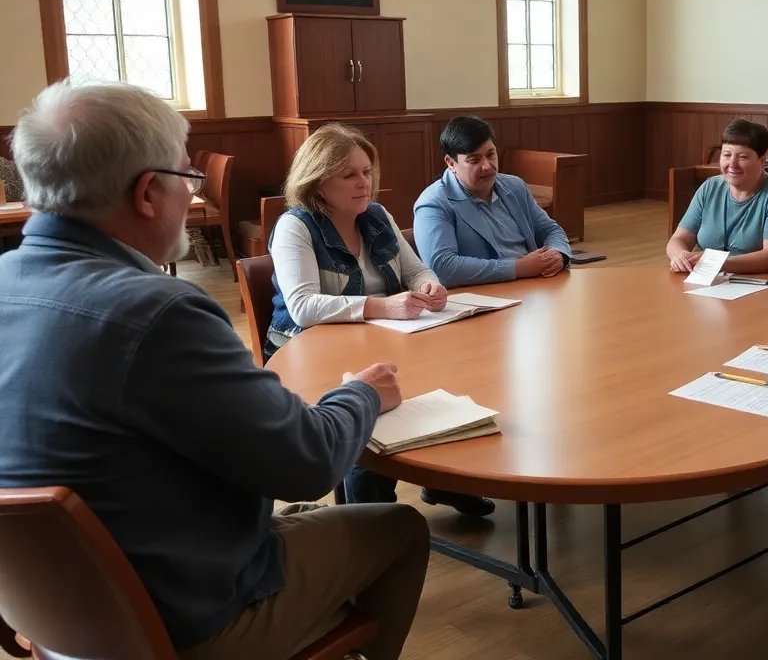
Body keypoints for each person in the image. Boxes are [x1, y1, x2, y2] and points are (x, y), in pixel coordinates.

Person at [0, 81, 430, 660]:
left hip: (55, 611)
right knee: (400, 527)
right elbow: (307, 465)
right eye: (189, 178)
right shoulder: (157, 313)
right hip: (178, 617)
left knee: (310, 521)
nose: (193, 196)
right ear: (150, 192)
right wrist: (361, 395)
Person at [268, 123, 494, 518]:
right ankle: (372, 519)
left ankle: (445, 480)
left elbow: (416, 270)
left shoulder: (376, 215)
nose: (363, 183)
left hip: (385, 335)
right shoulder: (295, 226)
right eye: (349, 175)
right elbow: (303, 306)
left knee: (449, 378)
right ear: (318, 182)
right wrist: (383, 306)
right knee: (373, 411)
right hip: (309, 346)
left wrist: (430, 286)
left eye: (367, 172)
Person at [414, 116, 572, 287]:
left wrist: (558, 253)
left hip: (536, 286)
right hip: (484, 294)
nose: (488, 166)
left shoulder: (514, 186)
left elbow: (550, 230)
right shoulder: (434, 203)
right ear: (451, 163)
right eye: (474, 160)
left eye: (491, 154)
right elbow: (443, 268)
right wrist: (518, 268)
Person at [666, 118, 768, 274]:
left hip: (754, 282)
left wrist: (717, 263)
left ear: (761, 160)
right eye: (726, 155)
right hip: (703, 277)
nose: (732, 164)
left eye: (742, 157)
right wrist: (680, 256)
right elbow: (678, 239)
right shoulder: (710, 187)